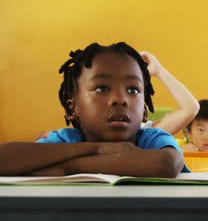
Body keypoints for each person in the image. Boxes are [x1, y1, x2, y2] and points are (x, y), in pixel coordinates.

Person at [0, 42, 187, 177]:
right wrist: (99, 149)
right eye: (101, 89)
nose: (120, 99)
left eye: (133, 90)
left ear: (145, 111)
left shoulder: (151, 139)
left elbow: (167, 164)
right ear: (72, 108)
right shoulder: (67, 140)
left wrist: (69, 167)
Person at [139, 51, 199, 135]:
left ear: (144, 111)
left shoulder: (145, 135)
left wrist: (158, 71)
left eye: (132, 91)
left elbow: (190, 108)